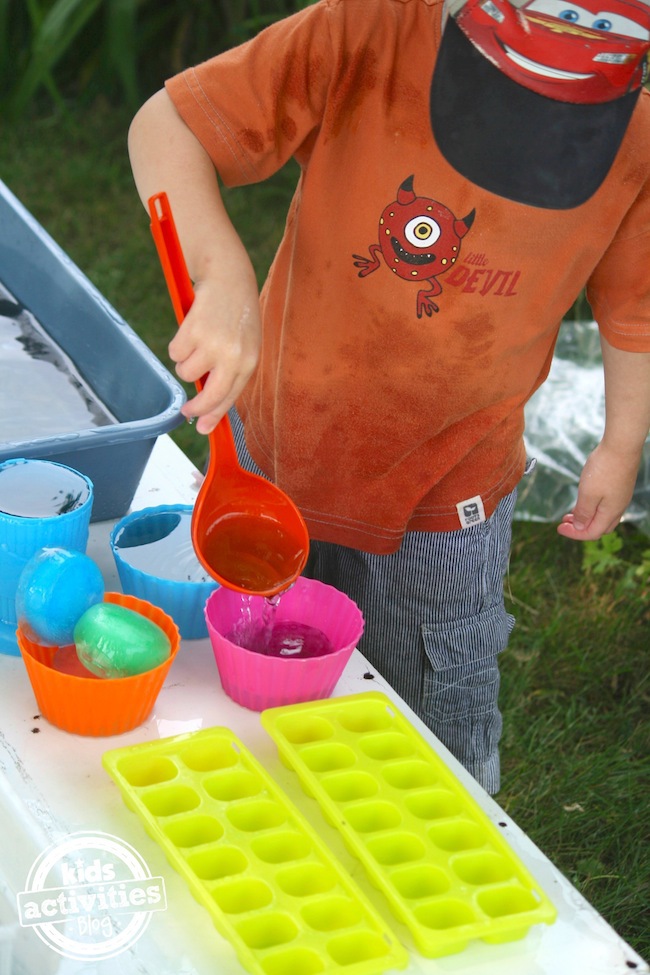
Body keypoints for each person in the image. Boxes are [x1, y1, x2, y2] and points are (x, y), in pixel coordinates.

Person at [128, 0, 650, 793]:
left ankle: (446, 811)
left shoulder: (636, 141)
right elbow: (167, 127)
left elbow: (637, 312)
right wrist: (221, 270)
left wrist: (620, 444)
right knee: (258, 673)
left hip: (449, 495)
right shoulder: (365, 32)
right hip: (278, 447)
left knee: (434, 712)